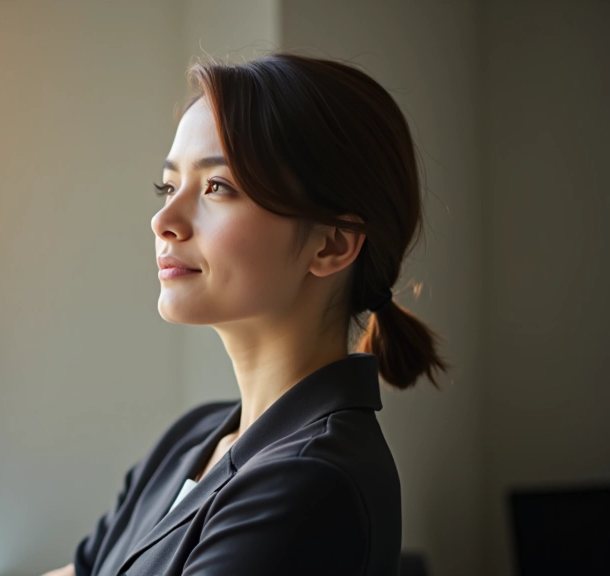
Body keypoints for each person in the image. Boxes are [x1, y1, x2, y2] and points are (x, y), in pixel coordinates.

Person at [42, 51, 449, 576]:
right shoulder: (195, 437)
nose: (163, 219)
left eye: (217, 187)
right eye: (169, 186)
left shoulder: (308, 485)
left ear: (332, 244)